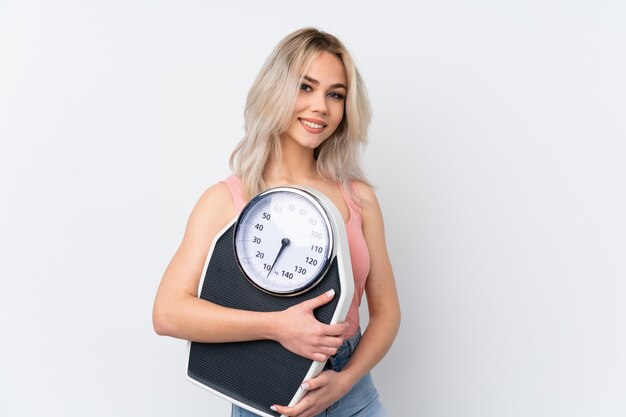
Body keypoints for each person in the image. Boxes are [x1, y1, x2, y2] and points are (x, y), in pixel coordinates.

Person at [153, 27, 401, 417]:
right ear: (276, 90)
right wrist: (277, 326)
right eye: (305, 87)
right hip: (264, 394)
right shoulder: (227, 200)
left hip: (352, 397)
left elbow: (387, 312)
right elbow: (168, 314)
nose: (320, 106)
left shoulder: (359, 199)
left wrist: (345, 380)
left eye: (335, 94)